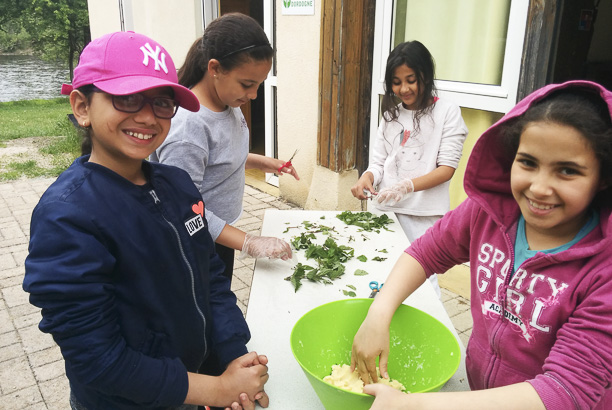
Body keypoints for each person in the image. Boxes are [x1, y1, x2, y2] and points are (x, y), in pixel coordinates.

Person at [23, 31, 269, 410]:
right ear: (82, 106)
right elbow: (99, 360)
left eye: (162, 103)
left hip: (194, 384)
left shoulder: (178, 185)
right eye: (126, 98)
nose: (147, 116)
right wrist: (216, 390)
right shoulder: (66, 217)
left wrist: (233, 357)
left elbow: (211, 280)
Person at [351, 80, 612, 409]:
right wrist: (379, 312)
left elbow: (565, 391)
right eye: (528, 162)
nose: (539, 188)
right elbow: (426, 253)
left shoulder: (604, 270)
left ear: (603, 178)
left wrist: (411, 405)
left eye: (568, 171)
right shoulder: (486, 213)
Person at [150, 13, 299, 283]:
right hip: (192, 242)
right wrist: (248, 241)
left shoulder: (228, 102)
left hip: (219, 233)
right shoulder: (188, 129)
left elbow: (220, 158)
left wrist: (266, 163)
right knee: (209, 303)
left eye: (259, 84)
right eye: (247, 84)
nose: (253, 95)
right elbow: (180, 207)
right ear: (215, 68)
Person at [350, 40, 468, 298]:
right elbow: (379, 163)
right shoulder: (390, 116)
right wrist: (367, 177)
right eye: (396, 82)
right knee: (380, 273)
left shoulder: (447, 112)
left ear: (426, 75)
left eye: (411, 80)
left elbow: (447, 168)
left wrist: (407, 186)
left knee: (422, 285)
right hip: (384, 210)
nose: (403, 89)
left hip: (422, 215)